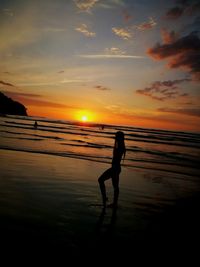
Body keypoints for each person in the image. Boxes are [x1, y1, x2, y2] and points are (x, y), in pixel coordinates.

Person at [98, 131, 126, 208]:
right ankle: (114, 203)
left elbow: (116, 158)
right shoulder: (120, 146)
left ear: (119, 138)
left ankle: (105, 198)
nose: (115, 137)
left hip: (115, 168)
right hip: (116, 168)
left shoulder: (119, 147)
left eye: (116, 136)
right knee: (115, 187)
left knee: (100, 180)